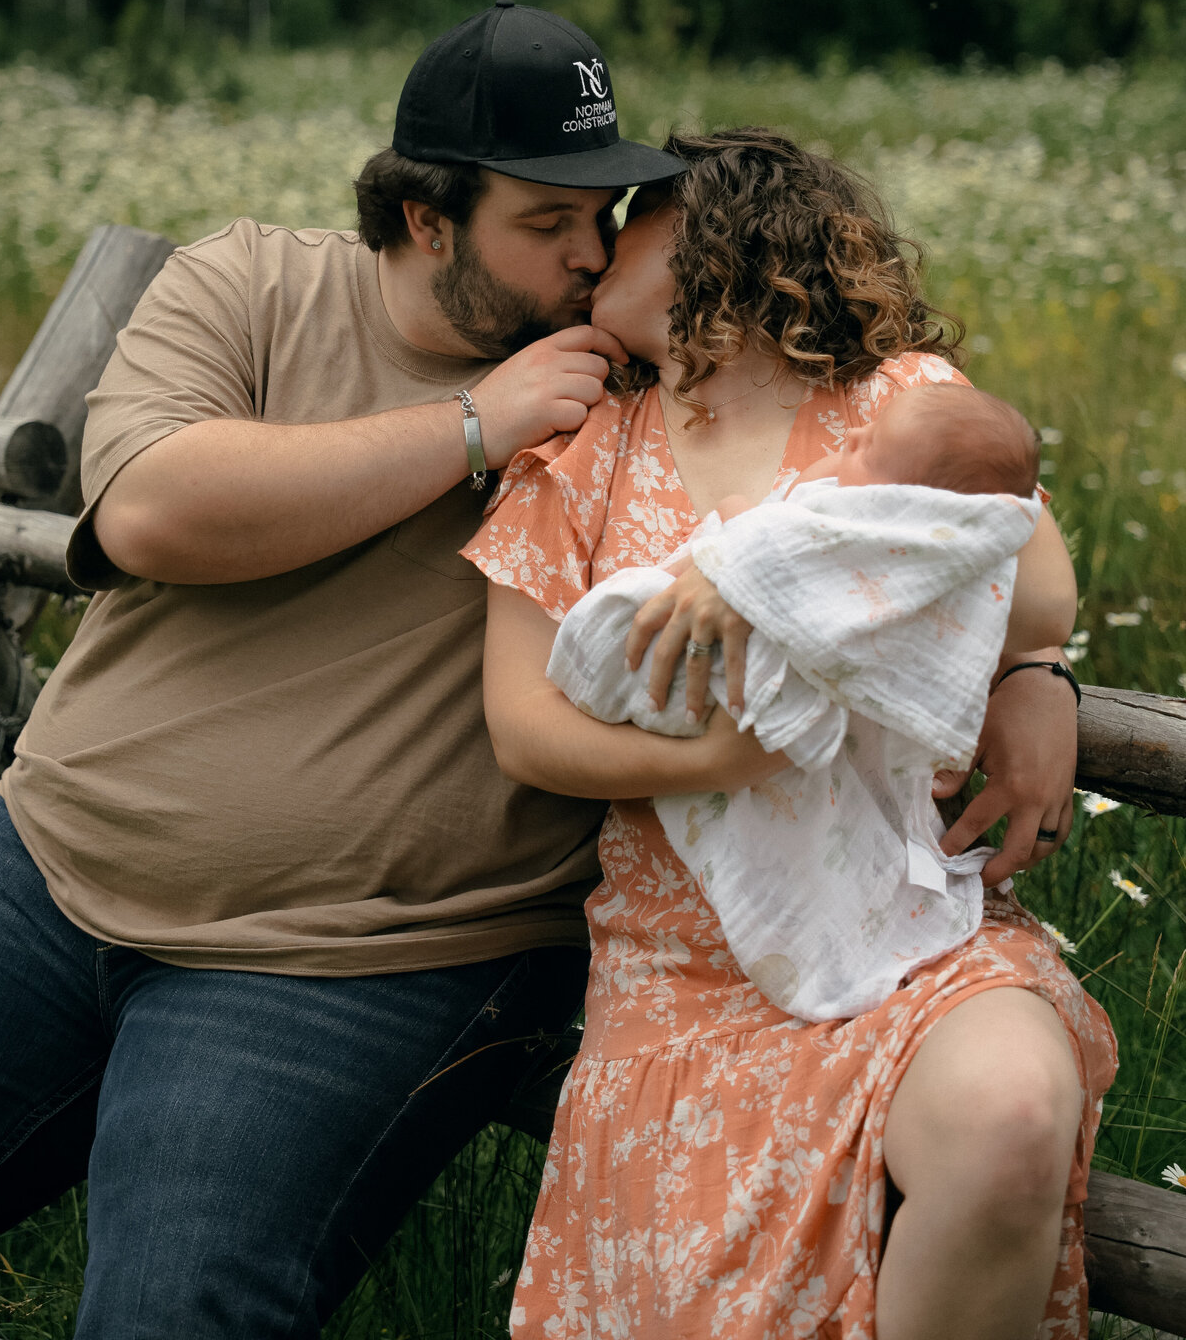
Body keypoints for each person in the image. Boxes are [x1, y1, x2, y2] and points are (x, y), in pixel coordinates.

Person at [0, 1, 691, 1339]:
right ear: (428, 220)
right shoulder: (248, 284)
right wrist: (474, 428)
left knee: (173, 1315)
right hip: (47, 867)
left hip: (345, 960)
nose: (592, 260)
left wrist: (1031, 673)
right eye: (546, 225)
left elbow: (917, 454)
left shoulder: (637, 379)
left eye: (602, 218)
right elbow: (150, 512)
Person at [464, 130, 1117, 1340]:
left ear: (717, 234)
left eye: (635, 217)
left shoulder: (904, 402)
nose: (604, 242)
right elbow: (526, 728)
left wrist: (1029, 673)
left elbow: (1036, 593)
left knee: (1012, 1120)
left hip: (902, 917)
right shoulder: (577, 461)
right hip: (684, 964)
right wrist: (724, 758)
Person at [543, 383, 1058, 1024]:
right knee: (647, 619)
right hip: (707, 751)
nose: (853, 442)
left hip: (759, 700)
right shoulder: (830, 496)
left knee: (657, 631)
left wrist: (738, 545)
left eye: (872, 452)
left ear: (906, 509)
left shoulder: (888, 533)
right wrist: (736, 553)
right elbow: (763, 529)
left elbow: (1028, 600)